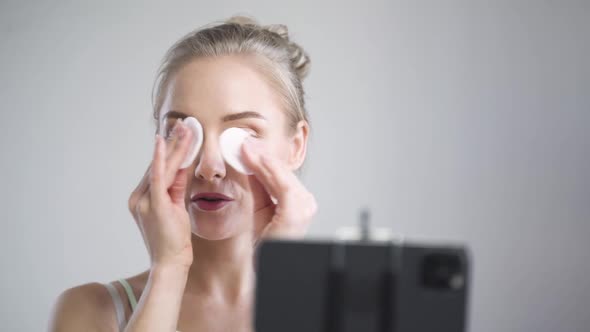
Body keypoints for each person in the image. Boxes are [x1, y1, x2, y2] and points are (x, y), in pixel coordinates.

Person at [48, 15, 317, 332]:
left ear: (296, 145)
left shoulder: (345, 310)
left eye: (243, 136)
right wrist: (169, 269)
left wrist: (280, 277)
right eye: (183, 133)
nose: (208, 168)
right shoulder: (91, 311)